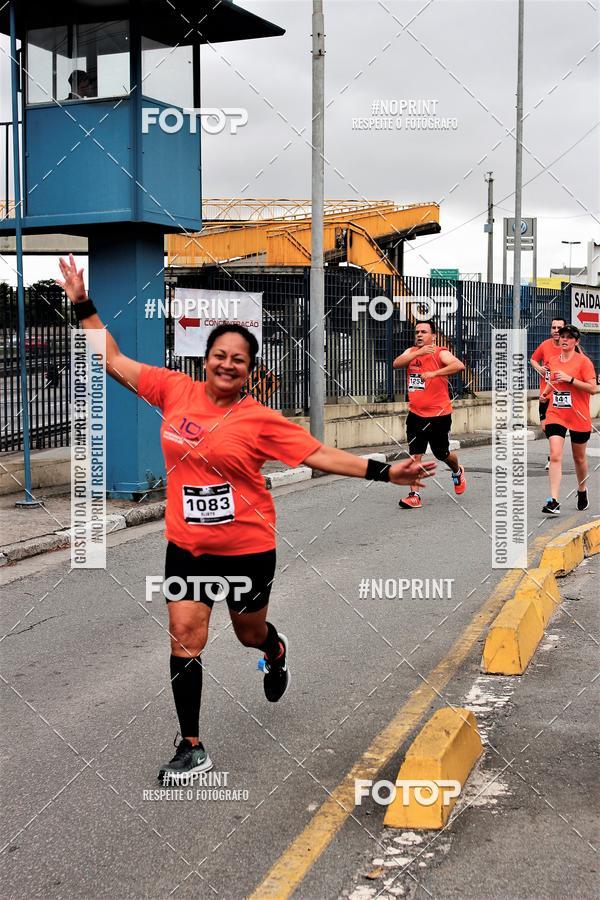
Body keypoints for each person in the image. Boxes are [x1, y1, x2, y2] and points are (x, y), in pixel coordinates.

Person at [56, 255, 436, 781]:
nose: (228, 364)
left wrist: (385, 472)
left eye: (239, 359)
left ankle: (274, 651)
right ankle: (192, 746)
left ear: (250, 370)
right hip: (187, 548)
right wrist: (82, 302)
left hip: (247, 550)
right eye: (220, 355)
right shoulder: (173, 390)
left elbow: (318, 455)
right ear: (205, 360)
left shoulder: (259, 419)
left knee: (248, 633)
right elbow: (113, 358)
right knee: (184, 634)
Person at [392, 319, 466, 509]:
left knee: (442, 454)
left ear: (433, 336)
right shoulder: (411, 352)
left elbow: (459, 365)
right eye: (417, 332)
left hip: (439, 415)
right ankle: (414, 495)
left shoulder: (441, 353)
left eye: (423, 332)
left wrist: (435, 374)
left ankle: (457, 471)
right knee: (415, 455)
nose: (419, 335)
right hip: (416, 414)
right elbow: (396, 363)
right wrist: (418, 353)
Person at [539, 324, 596, 514]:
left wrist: (570, 379)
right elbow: (553, 380)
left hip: (578, 415)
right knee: (555, 454)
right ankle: (553, 501)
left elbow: (593, 388)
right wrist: (545, 394)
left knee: (579, 458)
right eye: (562, 336)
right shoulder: (553, 360)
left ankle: (582, 489)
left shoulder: (584, 362)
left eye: (569, 337)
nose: (564, 339)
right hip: (556, 414)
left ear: (576, 341)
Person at [530, 317, 566, 469]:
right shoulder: (545, 345)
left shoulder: (568, 346)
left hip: (561, 395)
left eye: (559, 328)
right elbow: (533, 359)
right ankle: (555, 453)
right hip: (545, 394)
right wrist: (539, 368)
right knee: (545, 427)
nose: (556, 331)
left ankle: (554, 457)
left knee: (558, 426)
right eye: (554, 327)